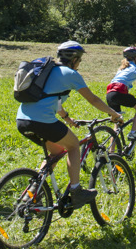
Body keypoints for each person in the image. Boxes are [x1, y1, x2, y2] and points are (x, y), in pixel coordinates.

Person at [16, 41, 124, 208]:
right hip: (42, 121)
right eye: (79, 60)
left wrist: (66, 118)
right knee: (73, 146)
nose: (79, 64)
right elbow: (93, 99)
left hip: (22, 121)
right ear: (74, 59)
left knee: (56, 152)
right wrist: (114, 114)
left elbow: (52, 98)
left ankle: (32, 193)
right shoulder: (70, 74)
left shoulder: (48, 71)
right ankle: (76, 192)